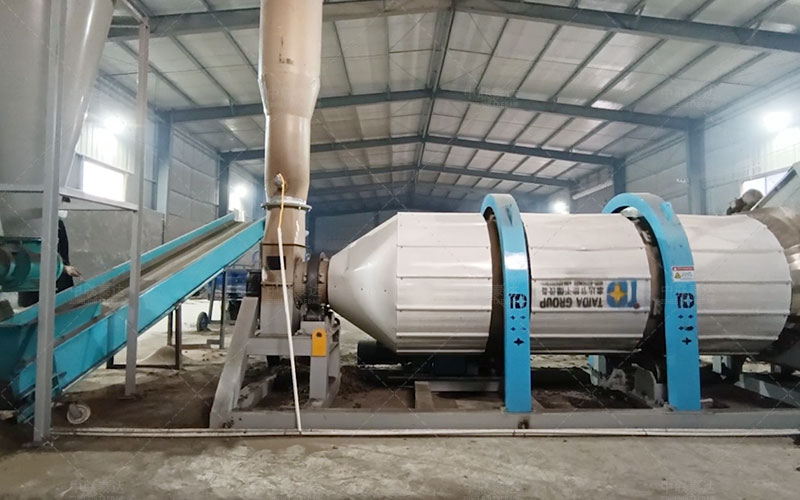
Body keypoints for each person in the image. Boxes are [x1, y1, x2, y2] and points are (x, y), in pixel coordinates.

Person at [18, 212, 81, 307]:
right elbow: (34, 259)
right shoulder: (33, 226)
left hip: (56, 287)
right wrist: (63, 268)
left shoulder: (56, 225)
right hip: (36, 289)